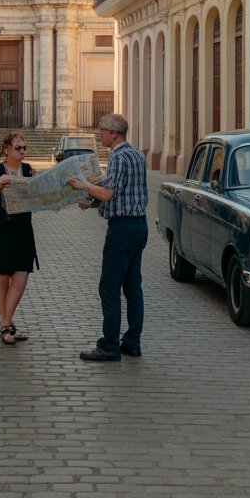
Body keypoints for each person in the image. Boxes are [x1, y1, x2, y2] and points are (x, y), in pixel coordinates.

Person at [67, 113, 148, 362]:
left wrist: (84, 187)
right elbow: (123, 193)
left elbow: (109, 193)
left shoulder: (117, 156)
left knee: (109, 287)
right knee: (133, 287)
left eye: (102, 129)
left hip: (122, 229)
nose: (98, 133)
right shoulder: (136, 155)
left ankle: (109, 345)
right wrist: (91, 203)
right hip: (138, 226)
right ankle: (132, 342)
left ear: (115, 134)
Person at [0, 131, 37, 344]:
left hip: (23, 231)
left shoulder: (29, 170)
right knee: (2, 282)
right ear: (7, 149)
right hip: (2, 232)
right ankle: (7, 325)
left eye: (24, 148)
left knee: (20, 280)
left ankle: (6, 323)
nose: (22, 151)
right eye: (18, 147)